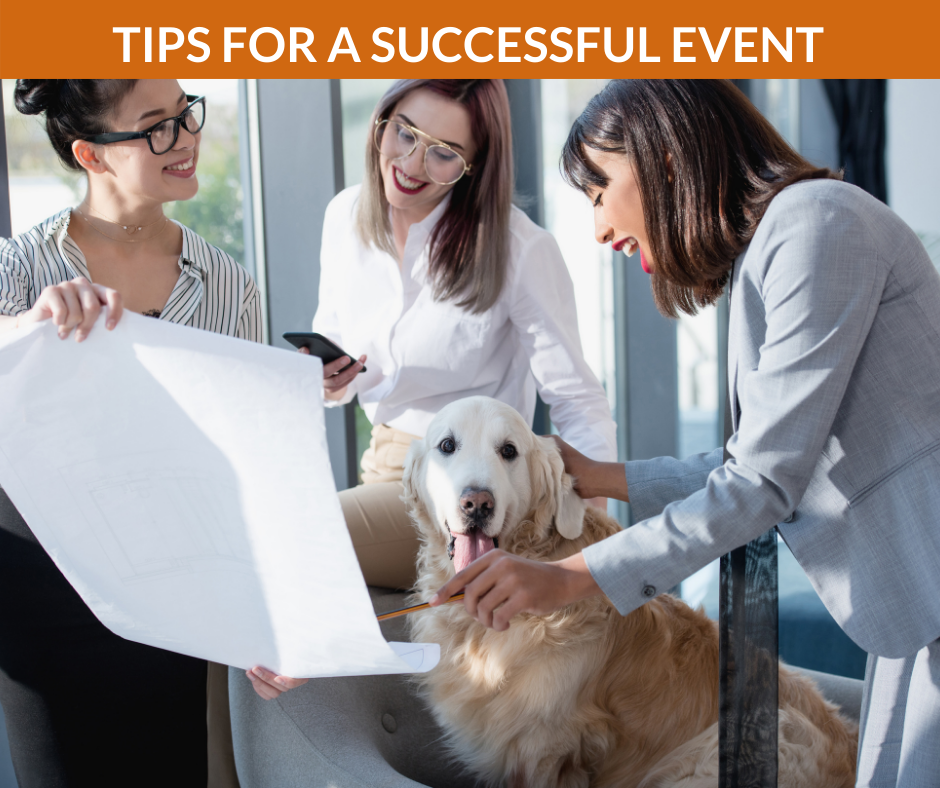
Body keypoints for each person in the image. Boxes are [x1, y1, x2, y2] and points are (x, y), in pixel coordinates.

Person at [432, 80, 940, 788]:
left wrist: (567, 580)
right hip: (911, 604)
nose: (601, 229)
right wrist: (602, 476)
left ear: (666, 158)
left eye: (600, 190)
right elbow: (755, 463)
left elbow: (759, 487)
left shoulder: (814, 231)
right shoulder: (777, 250)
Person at [0, 79, 263, 787]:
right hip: (38, 589)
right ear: (92, 154)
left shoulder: (227, 286)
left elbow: (243, 470)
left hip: (168, 595)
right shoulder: (21, 270)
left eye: (185, 115)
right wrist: (26, 329)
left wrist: (257, 620)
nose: (184, 138)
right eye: (155, 128)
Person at [310, 81, 616, 592]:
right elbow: (333, 361)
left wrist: (590, 548)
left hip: (474, 482)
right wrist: (326, 379)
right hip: (386, 470)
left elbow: (577, 402)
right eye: (404, 134)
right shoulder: (344, 216)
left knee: (292, 537)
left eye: (444, 154)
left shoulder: (519, 250)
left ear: (475, 166)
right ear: (381, 123)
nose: (411, 163)